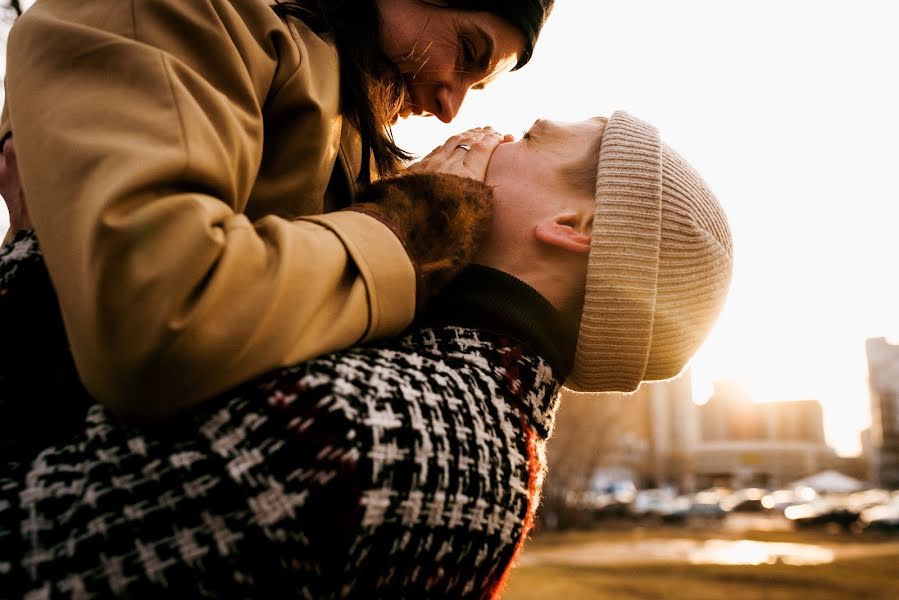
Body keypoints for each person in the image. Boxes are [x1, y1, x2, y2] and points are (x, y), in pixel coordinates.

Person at [0, 112, 733, 598]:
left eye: (529, 139)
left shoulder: (380, 429)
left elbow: (35, 548)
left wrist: (42, 254)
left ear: (572, 224)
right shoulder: (455, 405)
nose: (486, 135)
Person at [0, 0, 553, 421]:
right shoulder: (182, 12)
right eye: (467, 52)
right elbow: (160, 318)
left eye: (474, 86)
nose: (448, 106)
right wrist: (406, 231)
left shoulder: (345, 119)